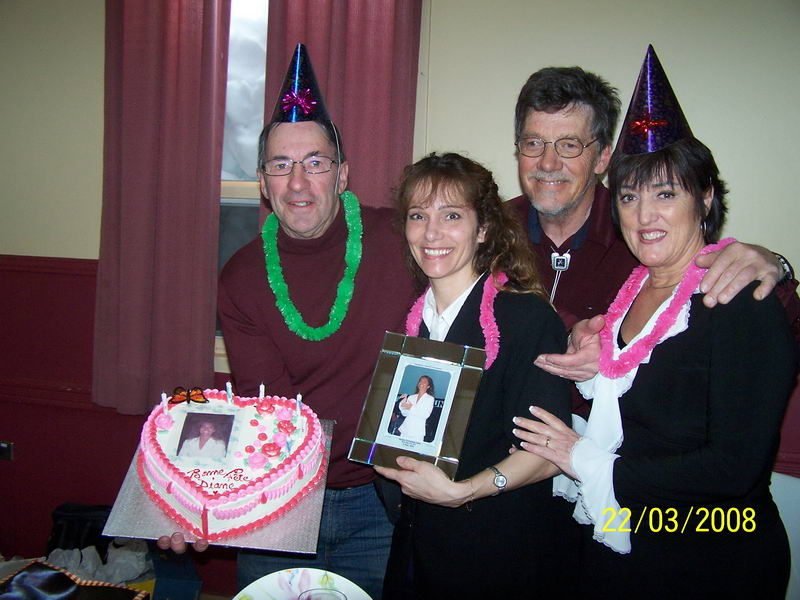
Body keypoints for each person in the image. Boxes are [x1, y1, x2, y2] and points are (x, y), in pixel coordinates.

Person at [513, 47, 797, 598]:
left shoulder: (737, 295)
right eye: (630, 196)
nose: (645, 216)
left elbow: (733, 470)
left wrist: (582, 457)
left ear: (705, 196)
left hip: (711, 554)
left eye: (666, 194)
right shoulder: (634, 288)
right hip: (619, 542)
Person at [155, 45, 417, 597]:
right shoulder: (243, 276)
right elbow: (268, 412)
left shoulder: (406, 239)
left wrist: (569, 325)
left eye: (315, 163)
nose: (298, 183)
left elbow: (485, 293)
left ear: (342, 175)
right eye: (281, 165)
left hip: (385, 501)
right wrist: (205, 494)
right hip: (280, 501)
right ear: (262, 180)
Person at [507, 65, 799, 387]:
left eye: (569, 145)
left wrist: (776, 268)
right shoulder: (489, 230)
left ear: (602, 157)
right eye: (533, 143)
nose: (548, 163)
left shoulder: (646, 241)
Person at [377, 152, 574, 597]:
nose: (431, 233)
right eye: (418, 215)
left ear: (483, 228)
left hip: (495, 551)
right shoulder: (412, 323)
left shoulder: (525, 318)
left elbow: (548, 454)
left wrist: (463, 491)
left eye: (451, 215)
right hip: (416, 547)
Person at [396, 375, 435, 442]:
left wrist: (411, 407)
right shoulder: (411, 397)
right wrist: (403, 403)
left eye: (424, 382)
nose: (421, 383)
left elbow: (425, 415)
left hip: (417, 432)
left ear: (428, 386)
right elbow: (405, 414)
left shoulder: (430, 399)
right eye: (420, 381)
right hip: (405, 429)